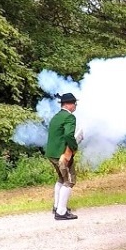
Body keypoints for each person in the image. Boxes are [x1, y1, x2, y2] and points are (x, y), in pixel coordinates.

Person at [45, 92, 82, 220]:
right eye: (74, 104)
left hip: (51, 154)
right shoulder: (70, 117)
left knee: (61, 178)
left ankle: (56, 206)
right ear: (69, 104)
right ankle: (61, 212)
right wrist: (75, 147)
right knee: (70, 181)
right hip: (62, 155)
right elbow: (68, 135)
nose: (75, 106)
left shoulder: (56, 116)